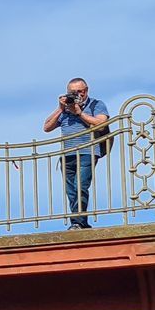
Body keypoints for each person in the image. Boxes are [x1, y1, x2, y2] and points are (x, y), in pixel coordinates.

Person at [42, 78, 109, 229]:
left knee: (80, 186)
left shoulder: (96, 105)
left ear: (86, 91)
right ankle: (81, 222)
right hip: (67, 154)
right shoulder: (65, 109)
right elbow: (46, 127)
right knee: (71, 190)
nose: (77, 95)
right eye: (73, 92)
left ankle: (77, 222)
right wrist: (60, 108)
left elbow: (101, 124)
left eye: (80, 91)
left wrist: (80, 114)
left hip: (87, 152)